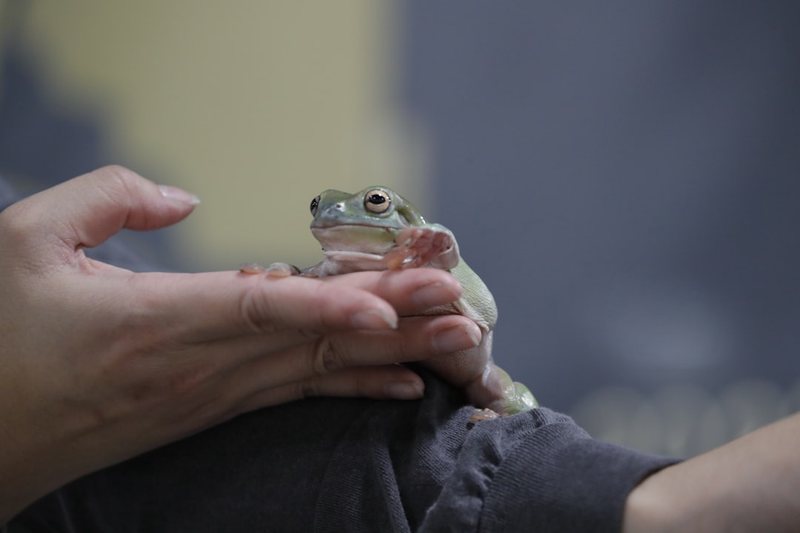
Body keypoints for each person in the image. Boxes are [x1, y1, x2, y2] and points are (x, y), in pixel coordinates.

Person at [2, 167, 799, 532]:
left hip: (459, 395)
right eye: (328, 208)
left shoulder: (426, 251)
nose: (339, 213)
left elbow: (475, 307)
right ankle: (609, 503)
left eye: (371, 205)